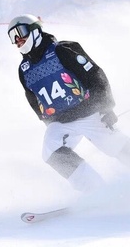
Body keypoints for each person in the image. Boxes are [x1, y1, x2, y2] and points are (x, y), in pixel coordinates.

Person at [7, 14, 130, 192]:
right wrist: (48, 121)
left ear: (35, 30)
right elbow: (32, 98)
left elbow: (95, 74)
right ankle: (96, 190)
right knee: (50, 150)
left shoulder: (63, 50)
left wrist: (106, 106)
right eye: (13, 37)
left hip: (90, 113)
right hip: (62, 121)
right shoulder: (24, 69)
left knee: (115, 145)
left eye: (20, 32)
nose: (18, 40)